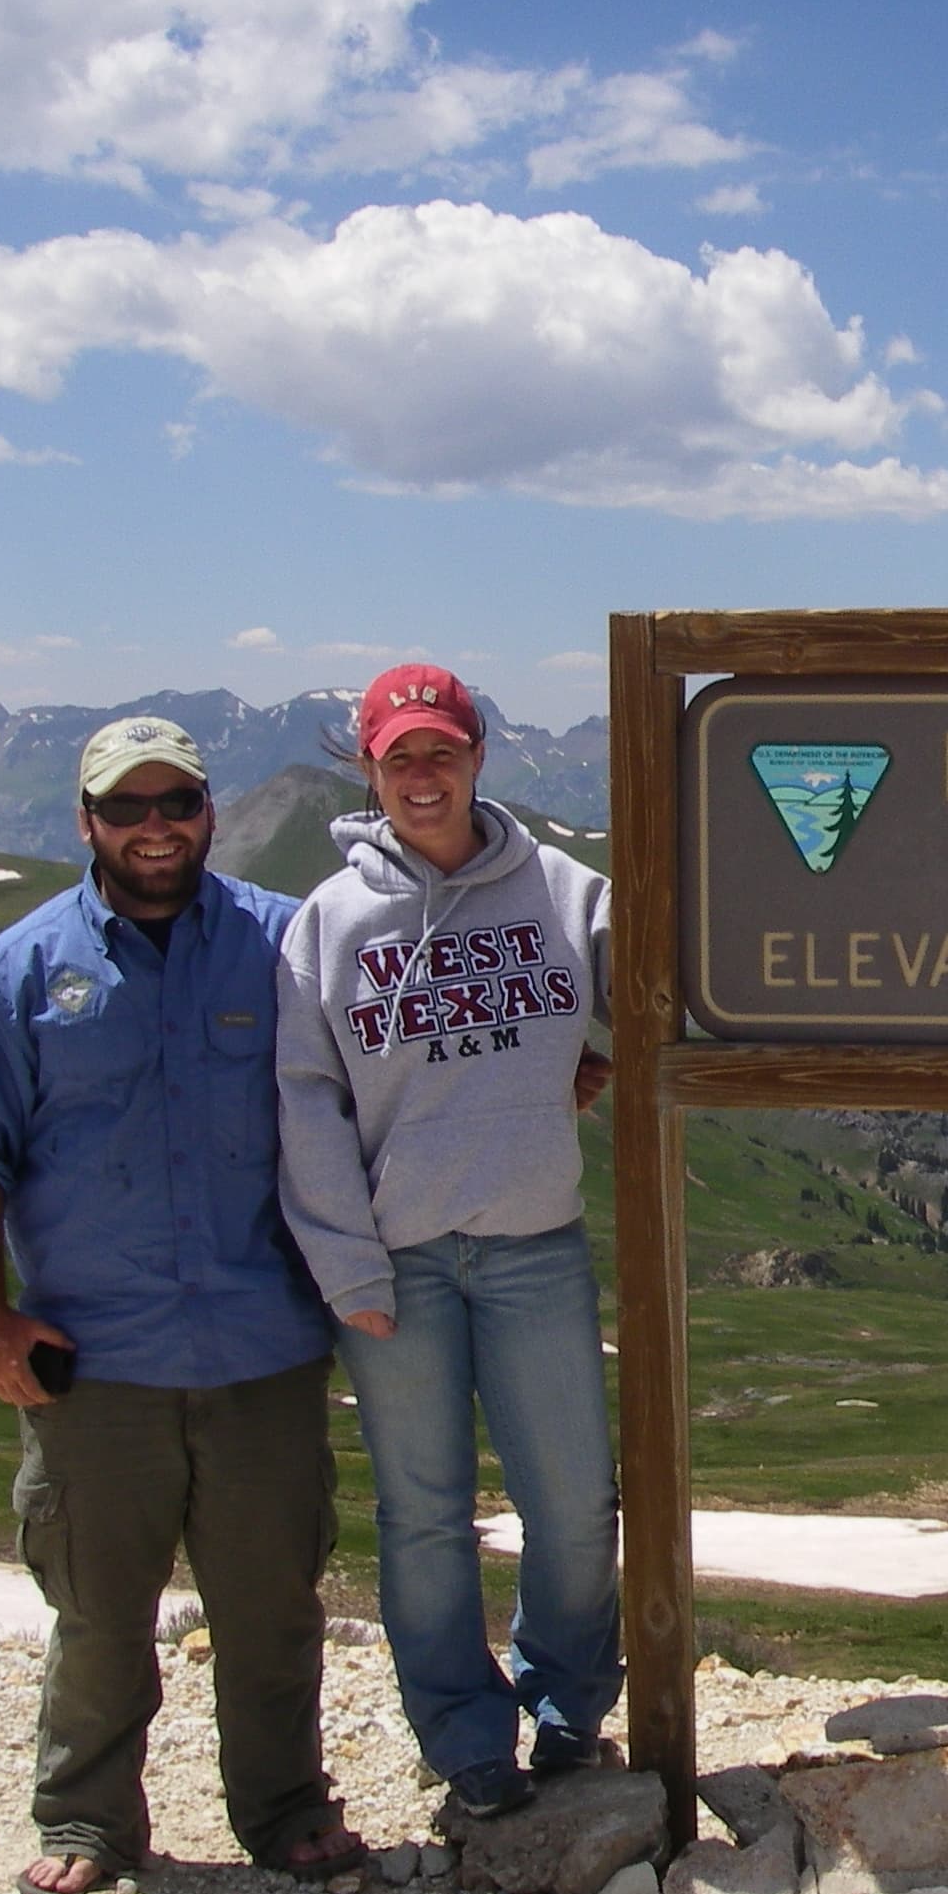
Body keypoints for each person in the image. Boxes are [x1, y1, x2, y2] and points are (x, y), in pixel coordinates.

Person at [0, 717, 365, 1894]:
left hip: (264, 1347)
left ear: (209, 811)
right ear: (87, 822)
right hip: (93, 1357)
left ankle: (286, 1808)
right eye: (126, 807)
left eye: (177, 802)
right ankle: (85, 1818)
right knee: (99, 1611)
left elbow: (397, 1061)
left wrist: (555, 1069)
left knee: (272, 1604)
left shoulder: (285, 942)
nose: (153, 827)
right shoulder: (21, 969)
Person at [275, 663, 621, 1821]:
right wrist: (347, 1265)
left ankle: (567, 1709)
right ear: (368, 772)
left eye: (442, 752)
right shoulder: (332, 921)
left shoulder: (562, 890)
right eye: (398, 759)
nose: (422, 777)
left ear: (478, 757)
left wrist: (584, 1059)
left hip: (534, 1242)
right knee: (424, 1514)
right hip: (399, 1260)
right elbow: (306, 1100)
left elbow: (662, 986)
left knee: (572, 1502)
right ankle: (465, 1737)